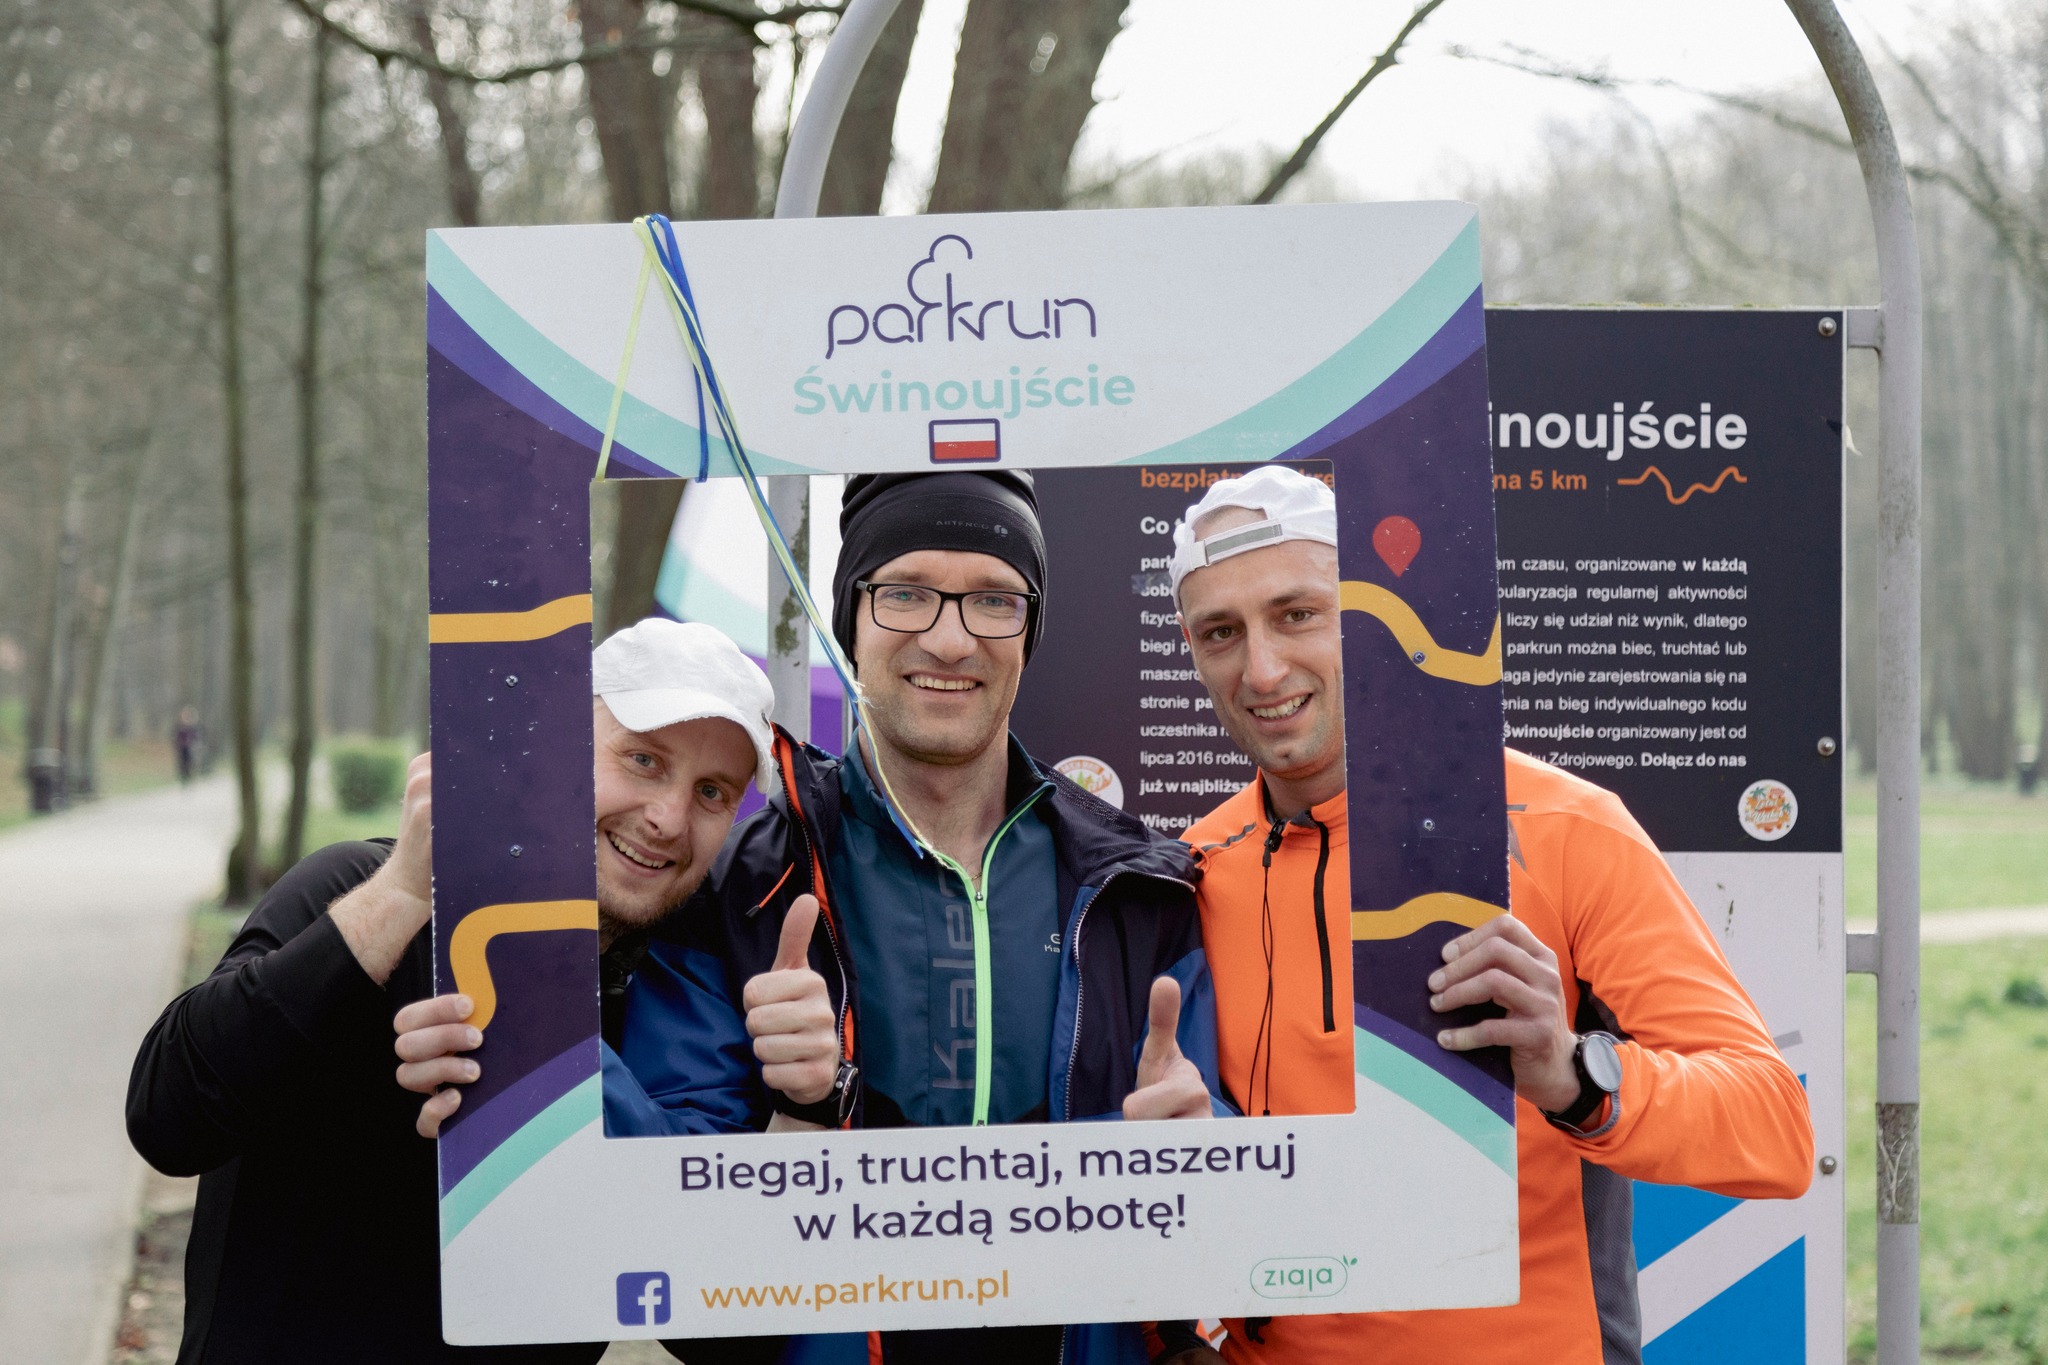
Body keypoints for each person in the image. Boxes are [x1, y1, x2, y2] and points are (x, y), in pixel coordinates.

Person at [408, 471, 1222, 1365]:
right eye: (906, 592)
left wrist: (1204, 1161)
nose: (951, 638)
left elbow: (1218, 1257)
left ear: (1029, 632)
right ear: (848, 619)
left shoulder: (1141, 885)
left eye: (995, 599)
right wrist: (790, 1116)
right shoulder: (737, 886)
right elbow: (671, 1275)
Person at [1159, 465, 1815, 1365]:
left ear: (1370, 614)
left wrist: (1575, 1076)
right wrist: (1171, 1332)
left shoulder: (1563, 828)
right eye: (1221, 632)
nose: (1262, 668)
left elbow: (1775, 1128)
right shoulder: (1188, 870)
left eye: (1298, 613)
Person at [125, 619, 775, 1364]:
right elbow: (168, 1118)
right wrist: (401, 896)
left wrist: (807, 1103)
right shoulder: (359, 888)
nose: (668, 818)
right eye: (643, 759)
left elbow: (721, 1322)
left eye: (712, 792)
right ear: (557, 749)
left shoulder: (677, 1006)